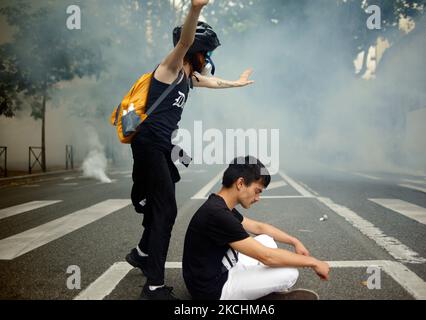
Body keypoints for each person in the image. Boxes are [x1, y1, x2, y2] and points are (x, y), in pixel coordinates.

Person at [125, 0, 255, 300]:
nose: (207, 58)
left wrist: (237, 83)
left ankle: (143, 252)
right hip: (150, 144)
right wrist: (195, 9)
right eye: (205, 52)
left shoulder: (188, 76)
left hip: (163, 145)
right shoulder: (170, 66)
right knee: (166, 210)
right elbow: (185, 40)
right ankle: (154, 287)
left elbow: (214, 81)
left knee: (162, 200)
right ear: (194, 50)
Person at [182, 156, 330, 300]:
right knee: (290, 273)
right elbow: (267, 257)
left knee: (266, 239)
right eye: (257, 190)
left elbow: (259, 227)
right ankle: (263, 294)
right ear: (240, 183)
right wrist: (314, 262)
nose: (258, 198)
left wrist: (294, 241)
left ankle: (258, 290)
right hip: (213, 290)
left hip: (220, 268)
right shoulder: (218, 215)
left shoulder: (219, 204)